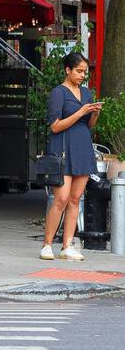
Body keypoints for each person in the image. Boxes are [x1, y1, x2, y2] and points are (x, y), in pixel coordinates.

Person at [41, 51, 100, 262]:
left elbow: (89, 126)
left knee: (76, 199)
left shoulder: (86, 94)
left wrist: (93, 113)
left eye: (85, 72)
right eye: (79, 71)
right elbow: (55, 126)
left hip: (82, 147)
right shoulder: (59, 93)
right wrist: (80, 112)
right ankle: (47, 244)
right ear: (68, 70)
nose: (83, 75)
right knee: (61, 198)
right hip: (63, 148)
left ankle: (67, 245)